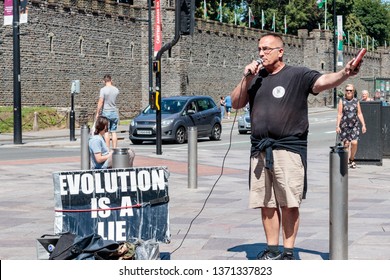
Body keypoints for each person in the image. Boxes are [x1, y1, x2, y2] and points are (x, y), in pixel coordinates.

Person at [230, 33, 361, 260]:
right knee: (266, 203)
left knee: (289, 203)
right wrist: (246, 78)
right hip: (260, 150)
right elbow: (235, 102)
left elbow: (322, 82)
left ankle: (288, 251)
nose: (261, 53)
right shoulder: (256, 78)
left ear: (281, 51)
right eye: (260, 49)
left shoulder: (297, 74)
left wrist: (344, 73)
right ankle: (272, 250)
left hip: (288, 149)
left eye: (267, 49)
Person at [336, 84, 367, 169]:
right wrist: (337, 126)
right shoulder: (342, 100)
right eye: (347, 90)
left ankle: (352, 158)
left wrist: (363, 125)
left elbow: (359, 113)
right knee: (346, 144)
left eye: (350, 90)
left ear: (353, 92)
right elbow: (339, 114)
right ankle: (346, 161)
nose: (348, 92)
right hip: (344, 125)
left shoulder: (356, 101)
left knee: (354, 143)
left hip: (354, 125)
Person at [95, 74, 120, 149]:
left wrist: (97, 112)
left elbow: (101, 101)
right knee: (114, 131)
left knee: (106, 131)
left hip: (106, 112)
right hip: (114, 112)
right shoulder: (116, 89)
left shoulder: (103, 90)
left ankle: (107, 149)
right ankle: (115, 149)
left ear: (104, 81)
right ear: (111, 80)